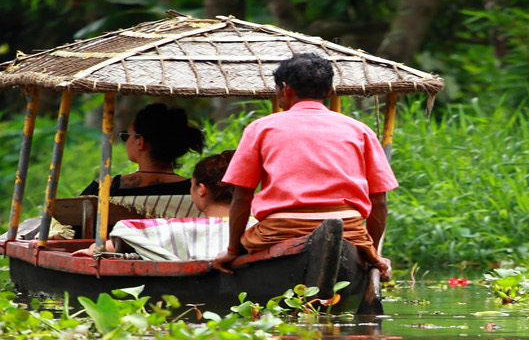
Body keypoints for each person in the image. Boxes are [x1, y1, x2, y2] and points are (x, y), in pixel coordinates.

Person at [212, 53, 395, 275]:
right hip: (348, 230)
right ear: (329, 91)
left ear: (285, 89)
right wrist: (371, 253)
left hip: (280, 231)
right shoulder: (359, 130)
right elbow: (379, 201)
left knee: (245, 244)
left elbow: (241, 197)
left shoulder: (260, 128)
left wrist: (232, 250)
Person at [74, 150, 249, 260]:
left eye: (192, 185)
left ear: (201, 190)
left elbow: (109, 246)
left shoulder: (169, 229)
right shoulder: (257, 228)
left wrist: (93, 248)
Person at [78, 103, 206, 196]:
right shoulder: (198, 192)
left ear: (140, 142)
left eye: (127, 136)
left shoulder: (103, 189)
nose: (126, 142)